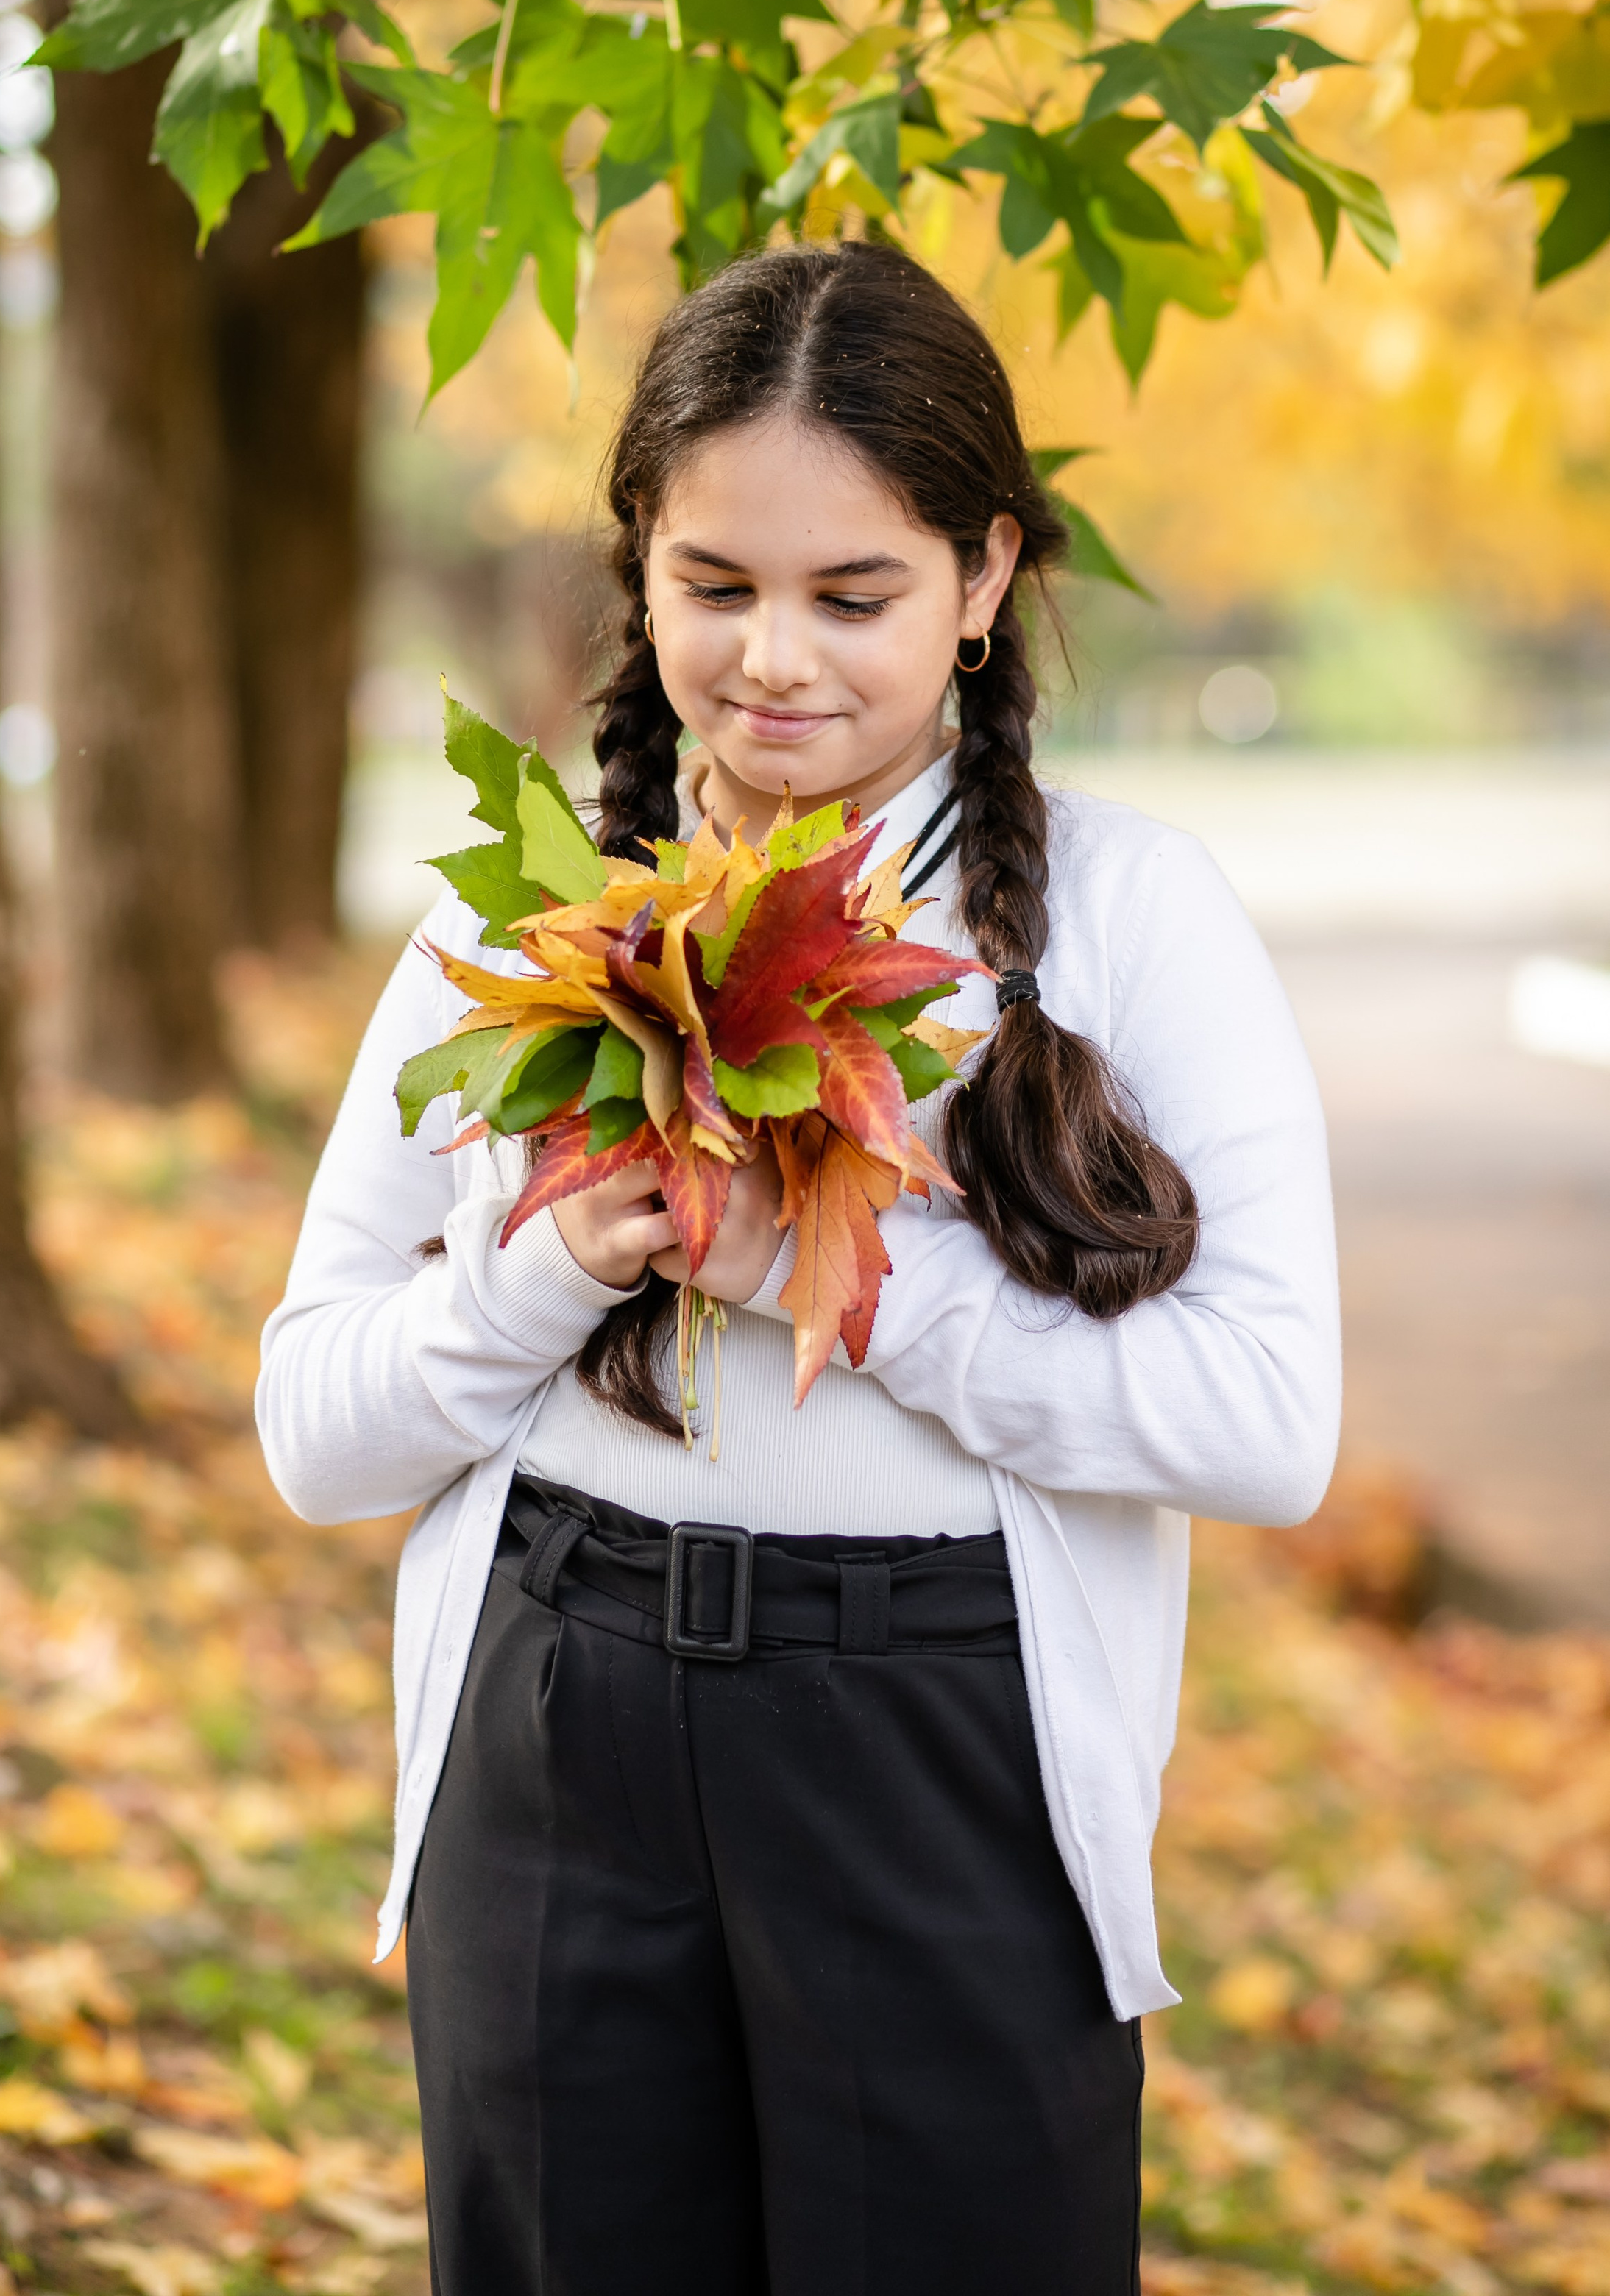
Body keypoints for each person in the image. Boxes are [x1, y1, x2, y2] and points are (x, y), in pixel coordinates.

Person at [257, 238, 1339, 2296]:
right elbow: (315, 1431)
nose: (777, 662)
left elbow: (1269, 1426)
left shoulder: (1127, 924)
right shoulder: (522, 928)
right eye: (713, 585)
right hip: (554, 1713)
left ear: (986, 574)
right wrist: (545, 1269)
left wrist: (847, 1281)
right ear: (637, 565)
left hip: (939, 1739)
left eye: (857, 596)